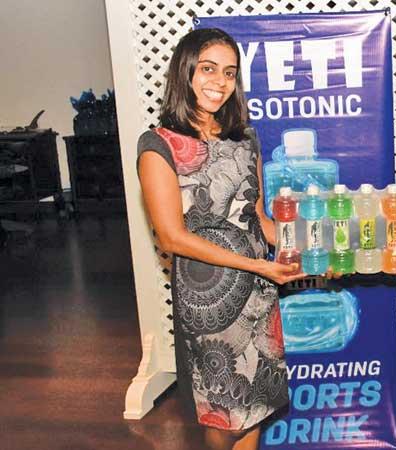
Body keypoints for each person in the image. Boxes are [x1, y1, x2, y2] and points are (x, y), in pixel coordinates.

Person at [137, 28, 306, 450]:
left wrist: (299, 247)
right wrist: (257, 265)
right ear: (185, 71)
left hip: (258, 295)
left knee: (255, 407)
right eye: (208, 69)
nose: (220, 81)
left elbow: (258, 218)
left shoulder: (244, 138)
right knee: (222, 412)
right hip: (207, 300)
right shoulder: (158, 145)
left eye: (229, 73)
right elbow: (173, 237)